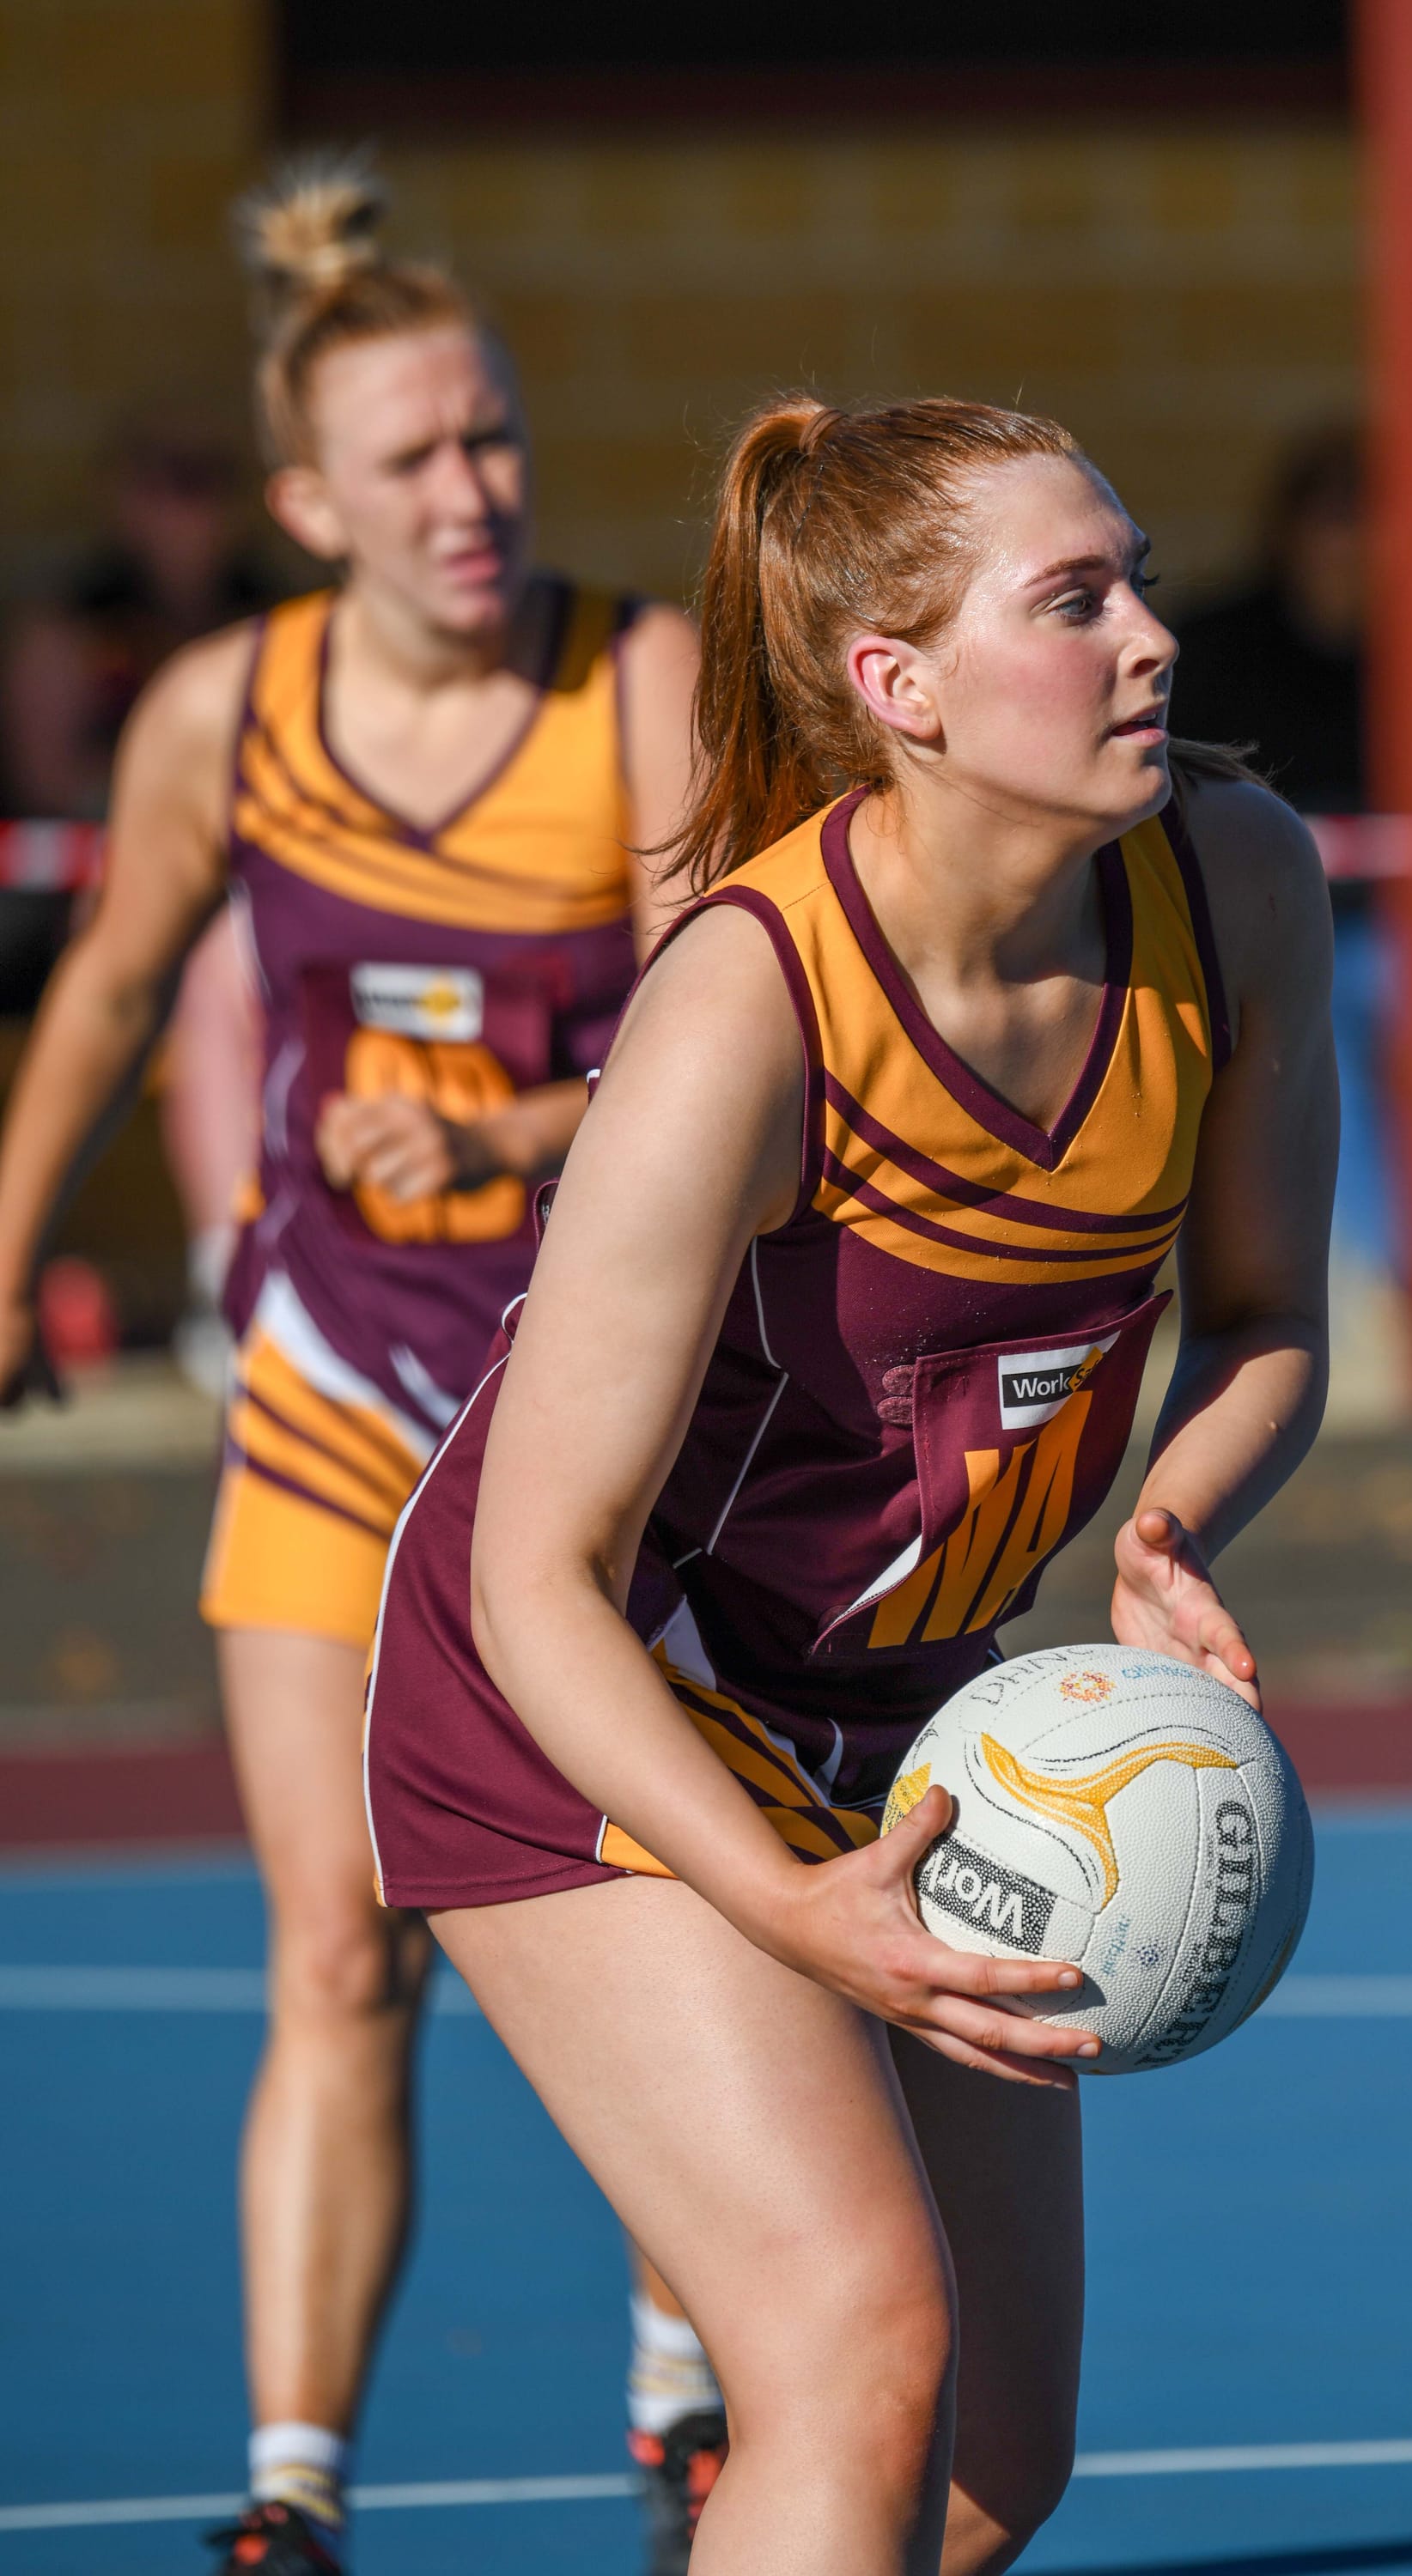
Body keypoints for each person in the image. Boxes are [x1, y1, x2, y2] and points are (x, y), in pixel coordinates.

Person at [364, 393, 1337, 2573]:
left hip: (912, 1693)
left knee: (994, 2461)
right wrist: (779, 1896)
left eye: (1141, 579)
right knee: (850, 2342)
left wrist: (1168, 1515)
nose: (1149, 641)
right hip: (585, 1692)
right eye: (1070, 601)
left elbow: (1272, 1313)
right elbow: (537, 1574)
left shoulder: (1232, 882)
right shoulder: (751, 996)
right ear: (894, 686)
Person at [0, 162, 711, 2576]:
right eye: (413, 460)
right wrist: (4, 1252)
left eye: (495, 439)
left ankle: (689, 2368)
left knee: (672, 1892)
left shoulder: (642, 686)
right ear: (309, 504)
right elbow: (108, 992)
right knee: (334, 1938)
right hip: (327, 1387)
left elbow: (738, 1052)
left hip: (602, 1409)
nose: (472, 491)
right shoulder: (230, 711)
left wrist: (515, 1122)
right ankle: (292, 2492)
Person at [1167, 427, 1412, 1313]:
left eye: (1370, 524)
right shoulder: (1218, 642)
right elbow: (1182, 796)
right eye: (1332, 523)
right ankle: (1379, 1267)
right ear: (1288, 533)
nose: (1349, 548)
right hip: (1277, 923)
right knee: (1308, 1032)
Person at [0, 411, 281, 1384]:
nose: (185, 508)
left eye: (206, 479)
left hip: (238, 908)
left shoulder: (276, 622)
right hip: (87, 901)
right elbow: (49, 782)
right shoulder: (74, 622)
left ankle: (242, 1277)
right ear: (124, 495)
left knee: (222, 959)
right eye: (165, 479)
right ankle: (218, 1275)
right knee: (176, 957)